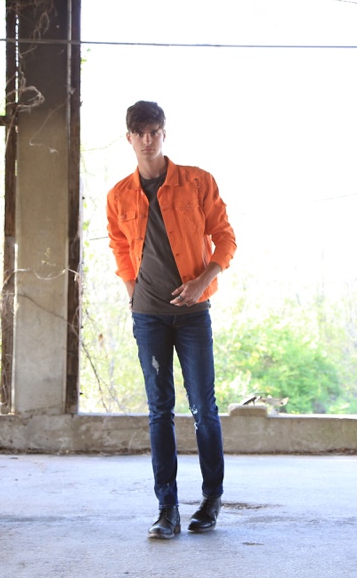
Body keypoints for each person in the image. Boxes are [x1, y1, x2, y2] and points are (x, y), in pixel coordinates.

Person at [106, 101, 237, 539]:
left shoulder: (197, 182)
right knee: (159, 411)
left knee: (203, 407)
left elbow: (225, 237)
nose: (148, 138)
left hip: (193, 314)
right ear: (129, 138)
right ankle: (167, 510)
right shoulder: (119, 195)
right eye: (140, 132)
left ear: (164, 134)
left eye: (155, 130)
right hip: (148, 317)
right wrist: (132, 293)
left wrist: (203, 281)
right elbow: (121, 250)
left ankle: (211, 500)